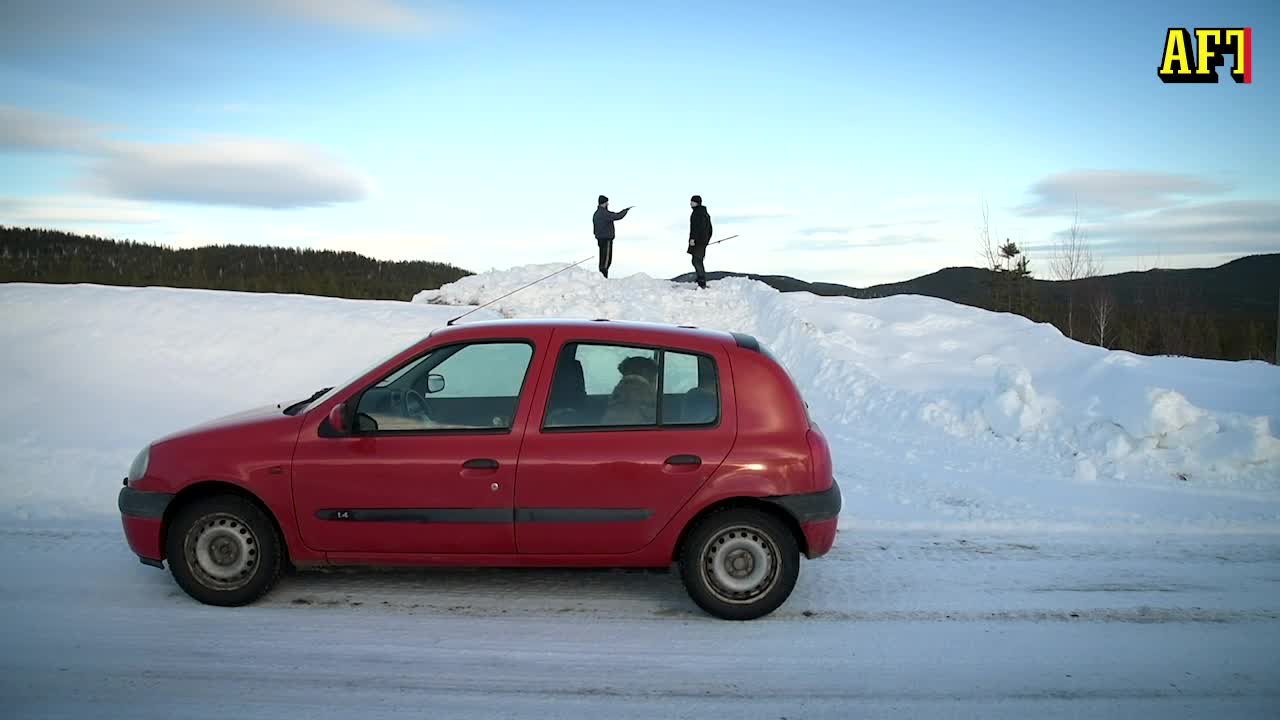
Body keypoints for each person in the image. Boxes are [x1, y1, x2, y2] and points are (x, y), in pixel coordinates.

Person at [593, 195, 631, 278]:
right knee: (606, 260)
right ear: (604, 203)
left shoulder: (597, 213)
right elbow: (617, 216)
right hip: (606, 239)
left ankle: (602, 277)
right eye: (607, 202)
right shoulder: (603, 213)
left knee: (603, 258)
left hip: (601, 238)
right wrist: (625, 211)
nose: (608, 204)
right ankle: (603, 278)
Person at [687, 195, 713, 288]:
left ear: (697, 203)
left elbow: (696, 228)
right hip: (702, 241)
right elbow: (710, 229)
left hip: (698, 241)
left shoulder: (697, 213)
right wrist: (706, 240)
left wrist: (693, 239)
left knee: (696, 260)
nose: (690, 203)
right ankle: (700, 279)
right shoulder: (704, 213)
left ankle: (701, 281)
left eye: (692, 202)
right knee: (698, 259)